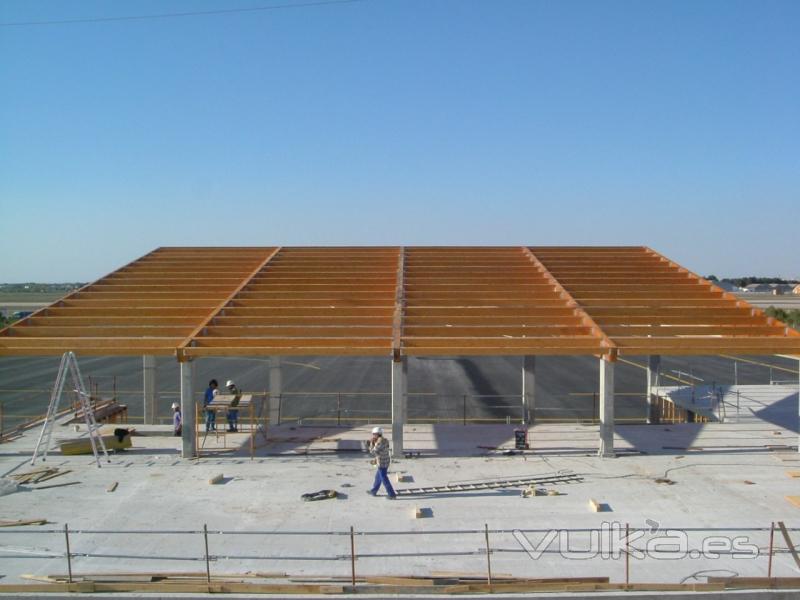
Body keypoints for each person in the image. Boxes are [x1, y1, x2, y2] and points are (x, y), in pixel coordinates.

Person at [366, 426, 396, 499]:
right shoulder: (385, 440)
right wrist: (373, 442)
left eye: (374, 434)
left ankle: (392, 494)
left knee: (384, 478)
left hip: (382, 462)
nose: (373, 436)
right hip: (385, 461)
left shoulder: (379, 441)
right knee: (378, 477)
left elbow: (373, 451)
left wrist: (370, 444)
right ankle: (374, 491)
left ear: (377, 434)